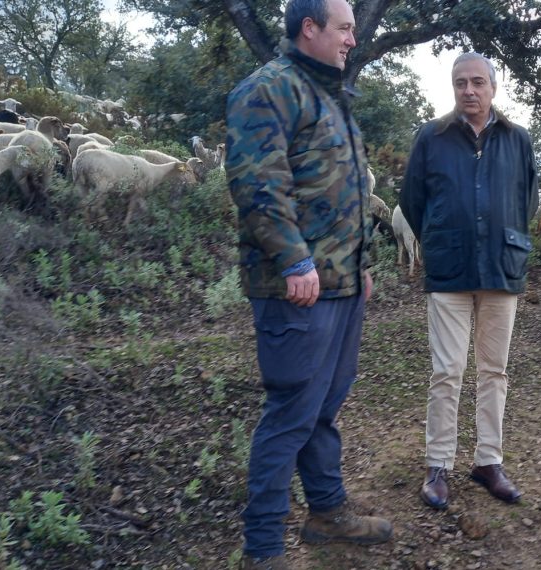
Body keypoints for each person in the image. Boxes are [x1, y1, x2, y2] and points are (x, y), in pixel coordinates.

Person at [224, 0, 391, 567]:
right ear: (309, 28)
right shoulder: (268, 89)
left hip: (341, 285)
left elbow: (344, 195)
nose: (352, 39)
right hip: (297, 287)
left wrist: (361, 263)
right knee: (291, 410)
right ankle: (264, 549)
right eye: (344, 28)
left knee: (323, 407)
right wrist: (295, 262)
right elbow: (257, 185)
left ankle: (327, 512)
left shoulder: (332, 96)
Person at [399, 52, 538, 511]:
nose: (469, 90)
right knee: (447, 371)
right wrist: (441, 240)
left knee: (494, 371)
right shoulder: (431, 137)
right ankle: (438, 465)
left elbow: (528, 202)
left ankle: (488, 462)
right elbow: (413, 202)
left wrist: (505, 239)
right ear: (453, 88)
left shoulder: (518, 140)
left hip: (501, 270)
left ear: (494, 87)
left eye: (478, 82)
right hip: (450, 273)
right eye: (461, 83)